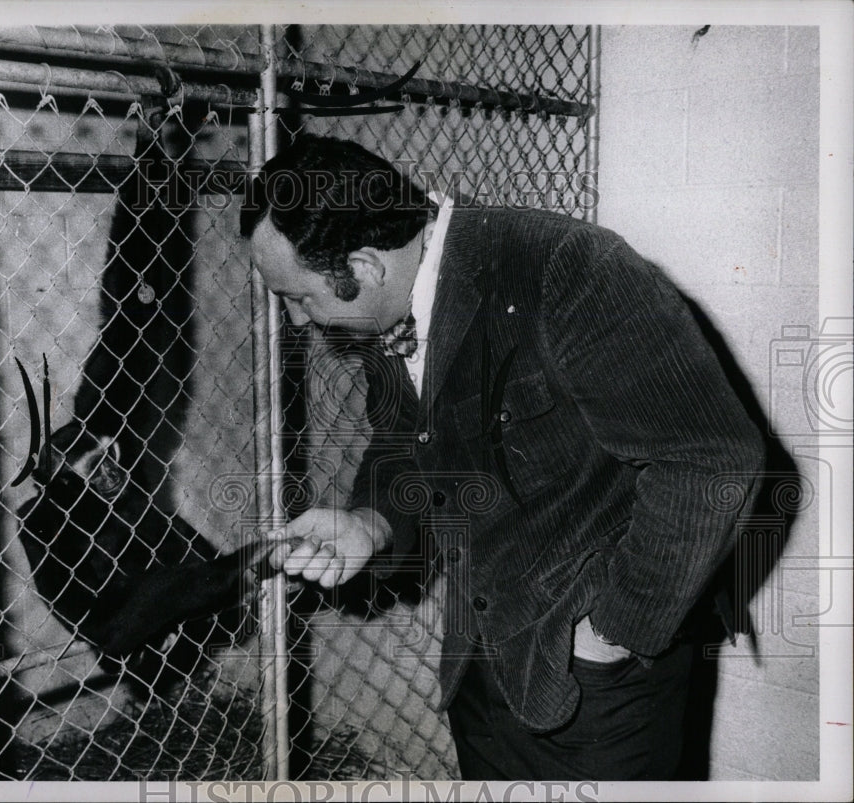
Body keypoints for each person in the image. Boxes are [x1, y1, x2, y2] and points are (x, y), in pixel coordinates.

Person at [239, 134, 765, 780]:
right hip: (481, 675)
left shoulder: (565, 268)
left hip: (596, 697)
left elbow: (712, 456)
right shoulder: (390, 309)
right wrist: (370, 522)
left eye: (298, 296)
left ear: (368, 265)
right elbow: (408, 440)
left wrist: (617, 629)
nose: (296, 320)